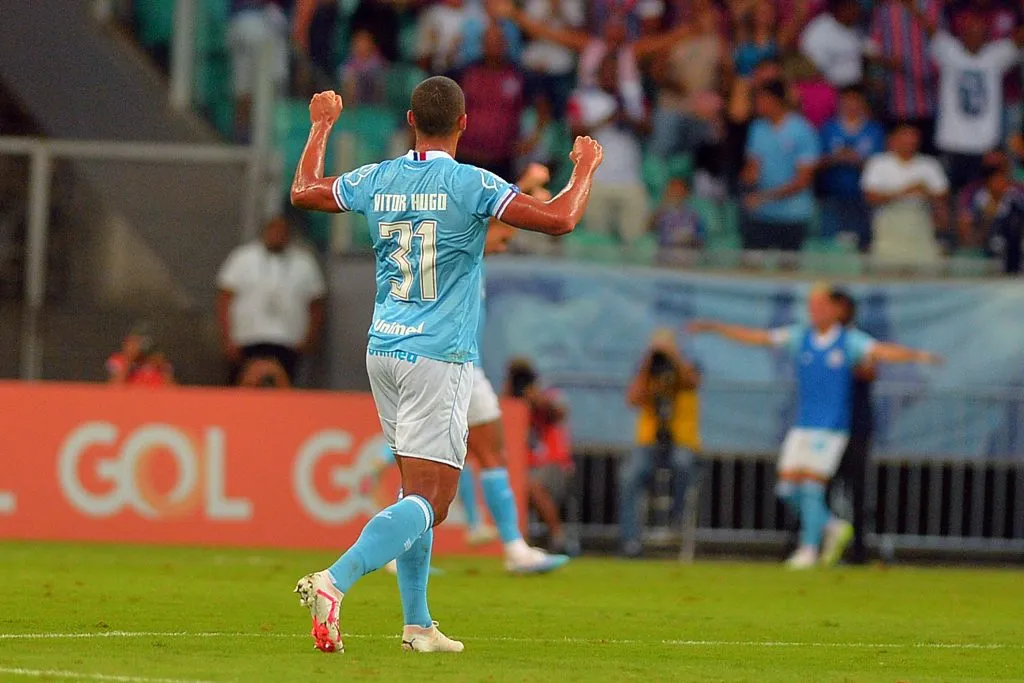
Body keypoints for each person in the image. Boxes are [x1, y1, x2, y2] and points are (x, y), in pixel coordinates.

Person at [288, 79, 603, 653]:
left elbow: (305, 190)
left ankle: (417, 625)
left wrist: (321, 124)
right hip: (440, 355)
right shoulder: (471, 183)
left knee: (414, 489)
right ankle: (334, 582)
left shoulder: (378, 177)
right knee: (434, 500)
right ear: (464, 123)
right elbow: (559, 219)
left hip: (384, 348)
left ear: (411, 119)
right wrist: (583, 168)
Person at [688, 285, 941, 569]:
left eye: (819, 306)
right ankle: (832, 526)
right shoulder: (800, 336)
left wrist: (917, 356)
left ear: (834, 310)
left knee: (811, 487)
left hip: (832, 427)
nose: (814, 311)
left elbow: (881, 351)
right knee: (786, 488)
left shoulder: (848, 341)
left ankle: (808, 550)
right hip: (803, 425)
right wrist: (716, 327)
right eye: (811, 306)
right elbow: (759, 338)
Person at [456, 163, 570, 572]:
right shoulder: (462, 241)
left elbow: (494, 216)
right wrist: (527, 185)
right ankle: (509, 546)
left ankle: (512, 548)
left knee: (488, 454)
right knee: (434, 463)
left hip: (468, 365)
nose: (504, 244)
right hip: (449, 363)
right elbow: (490, 212)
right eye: (501, 238)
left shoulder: (470, 253)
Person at [908, 4, 1024, 196]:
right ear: (962, 35)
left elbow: (1018, 40)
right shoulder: (950, 51)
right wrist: (910, 6)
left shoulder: (995, 55)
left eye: (980, 33)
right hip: (952, 141)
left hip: (985, 142)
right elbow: (927, 27)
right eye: (970, 32)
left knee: (982, 195)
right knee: (949, 191)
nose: (975, 37)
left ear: (986, 36)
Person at [216, 216, 326, 386]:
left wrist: (309, 339)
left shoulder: (304, 263)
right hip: (247, 338)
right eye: (273, 231)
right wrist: (227, 338)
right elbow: (224, 298)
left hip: (288, 341)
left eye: (282, 232)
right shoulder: (242, 258)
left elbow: (316, 304)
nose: (277, 235)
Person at [620, 330, 702, 558]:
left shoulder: (687, 366)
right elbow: (632, 399)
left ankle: (676, 520)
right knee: (629, 475)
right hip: (650, 441)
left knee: (683, 463)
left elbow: (691, 382)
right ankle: (631, 542)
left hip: (681, 440)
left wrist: (673, 356)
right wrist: (648, 363)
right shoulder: (647, 371)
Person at [567, 54, 649, 244]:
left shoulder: (633, 97)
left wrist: (627, 118)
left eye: (614, 72)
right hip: (596, 181)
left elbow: (648, 128)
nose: (610, 76)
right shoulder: (582, 98)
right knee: (597, 243)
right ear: (597, 74)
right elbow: (574, 133)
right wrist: (607, 120)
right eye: (606, 72)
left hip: (630, 180)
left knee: (635, 243)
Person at [740, 80, 820, 251]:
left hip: (793, 215)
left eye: (761, 99)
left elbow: (803, 180)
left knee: (788, 271)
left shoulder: (802, 129)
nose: (757, 104)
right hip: (761, 215)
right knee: (751, 267)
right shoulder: (757, 128)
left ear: (775, 100)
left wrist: (765, 197)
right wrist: (746, 183)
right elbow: (753, 169)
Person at [507, 357, 575, 554]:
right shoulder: (513, 403)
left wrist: (537, 400)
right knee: (516, 487)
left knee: (532, 486)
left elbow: (560, 411)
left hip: (555, 464)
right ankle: (518, 541)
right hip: (525, 466)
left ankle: (558, 536)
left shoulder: (550, 395)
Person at [861, 123, 949, 265]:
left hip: (920, 227)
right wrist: (905, 191)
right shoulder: (879, 163)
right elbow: (870, 197)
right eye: (905, 136)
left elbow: (942, 196)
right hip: (888, 228)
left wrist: (926, 191)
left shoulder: (929, 165)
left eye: (913, 137)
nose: (910, 141)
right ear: (892, 139)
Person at [829, 289, 875, 565]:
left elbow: (869, 371)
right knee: (813, 490)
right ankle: (812, 544)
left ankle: (859, 551)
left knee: (857, 491)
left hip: (855, 427)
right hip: (825, 427)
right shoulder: (818, 339)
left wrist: (841, 362)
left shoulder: (858, 341)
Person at [818, 86, 886, 250]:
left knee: (863, 246)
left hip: (863, 199)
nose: (851, 105)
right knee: (830, 246)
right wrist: (835, 158)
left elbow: (881, 165)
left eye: (855, 101)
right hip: (832, 197)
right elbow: (815, 162)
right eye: (846, 101)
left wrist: (858, 161)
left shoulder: (874, 130)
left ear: (862, 103)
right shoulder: (828, 129)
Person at [456, 24, 525, 180]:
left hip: (501, 160)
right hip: (465, 157)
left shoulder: (517, 75)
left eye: (498, 41)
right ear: (482, 44)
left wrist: (532, 140)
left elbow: (541, 106)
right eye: (489, 41)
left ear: (506, 43)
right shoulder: (466, 73)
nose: (493, 45)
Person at [961, 160, 1024, 273]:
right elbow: (967, 232)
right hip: (984, 245)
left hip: (1012, 247)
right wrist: (987, 218)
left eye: (1003, 180)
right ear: (988, 182)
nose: (1000, 184)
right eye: (996, 180)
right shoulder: (977, 199)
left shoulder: (1015, 198)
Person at [106, 324, 174, 387]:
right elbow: (113, 388)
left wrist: (162, 368)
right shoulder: (119, 361)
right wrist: (129, 359)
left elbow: (174, 392)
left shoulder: (158, 363)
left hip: (154, 398)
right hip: (128, 398)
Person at [650, 177, 706, 250]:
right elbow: (649, 229)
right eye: (672, 191)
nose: (675, 195)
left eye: (679, 192)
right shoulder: (663, 213)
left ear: (685, 195)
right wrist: (659, 210)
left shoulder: (693, 215)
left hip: (689, 250)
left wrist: (690, 239)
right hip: (667, 250)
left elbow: (701, 239)